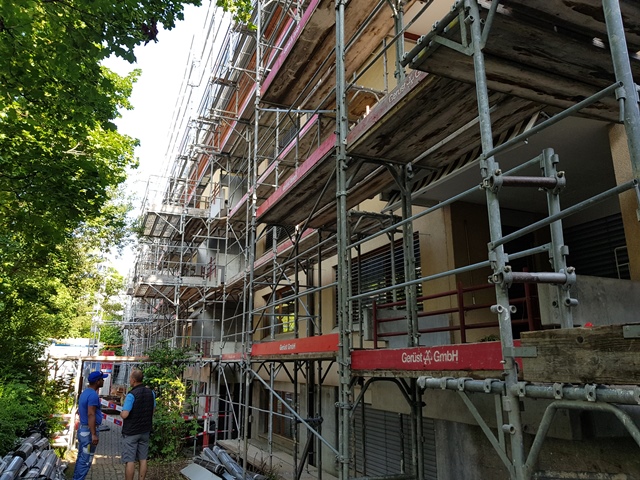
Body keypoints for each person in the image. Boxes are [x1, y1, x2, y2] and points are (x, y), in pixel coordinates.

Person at [72, 370, 108, 480]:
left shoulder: (85, 393)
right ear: (97, 382)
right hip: (88, 432)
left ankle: (76, 478)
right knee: (86, 460)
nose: (103, 381)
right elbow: (91, 414)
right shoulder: (93, 396)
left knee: (82, 458)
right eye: (102, 379)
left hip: (83, 430)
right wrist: (93, 434)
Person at [121, 369, 156, 480]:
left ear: (134, 380)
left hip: (131, 432)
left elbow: (125, 415)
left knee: (130, 460)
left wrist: (121, 411)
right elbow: (152, 410)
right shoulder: (151, 393)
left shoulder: (131, 395)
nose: (129, 380)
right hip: (145, 431)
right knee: (143, 459)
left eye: (130, 378)